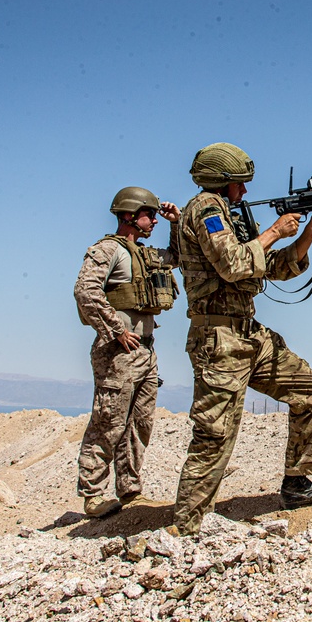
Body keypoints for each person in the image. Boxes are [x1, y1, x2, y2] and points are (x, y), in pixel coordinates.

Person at [171, 142, 312, 535]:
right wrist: (273, 232)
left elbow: (276, 268)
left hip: (249, 335)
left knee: (311, 391)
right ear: (223, 181)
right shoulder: (206, 210)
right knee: (215, 433)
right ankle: (187, 527)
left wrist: (310, 234)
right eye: (240, 185)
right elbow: (233, 265)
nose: (245, 192)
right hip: (220, 339)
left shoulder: (230, 216)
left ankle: (298, 485)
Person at [74, 186, 180, 518]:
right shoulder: (107, 250)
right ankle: (93, 495)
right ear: (130, 216)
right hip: (118, 353)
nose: (153, 221)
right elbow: (85, 291)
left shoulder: (144, 254)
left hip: (146, 353)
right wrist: (116, 330)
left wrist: (176, 222)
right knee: (109, 422)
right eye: (149, 214)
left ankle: (129, 489)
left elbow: (177, 256)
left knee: (140, 424)